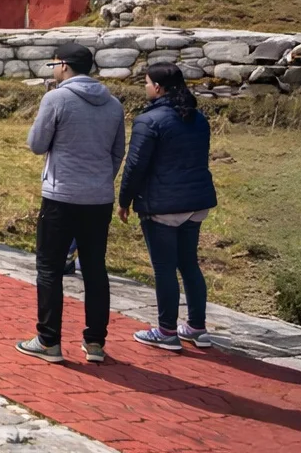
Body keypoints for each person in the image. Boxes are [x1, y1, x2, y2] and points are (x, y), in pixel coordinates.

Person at [17, 41, 125, 365]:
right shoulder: (114, 105)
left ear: (63, 65)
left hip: (61, 195)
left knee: (49, 268)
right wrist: (101, 178)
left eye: (53, 65)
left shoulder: (56, 98)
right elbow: (118, 152)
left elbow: (36, 144)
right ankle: (95, 342)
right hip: (99, 198)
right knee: (95, 269)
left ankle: (49, 340)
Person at [119, 63, 218, 351]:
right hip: (196, 202)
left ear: (158, 88)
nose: (146, 87)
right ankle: (197, 328)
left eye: (147, 83)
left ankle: (166, 331)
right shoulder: (197, 118)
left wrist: (125, 200)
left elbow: (135, 166)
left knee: (164, 268)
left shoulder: (148, 121)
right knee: (188, 264)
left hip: (163, 206)